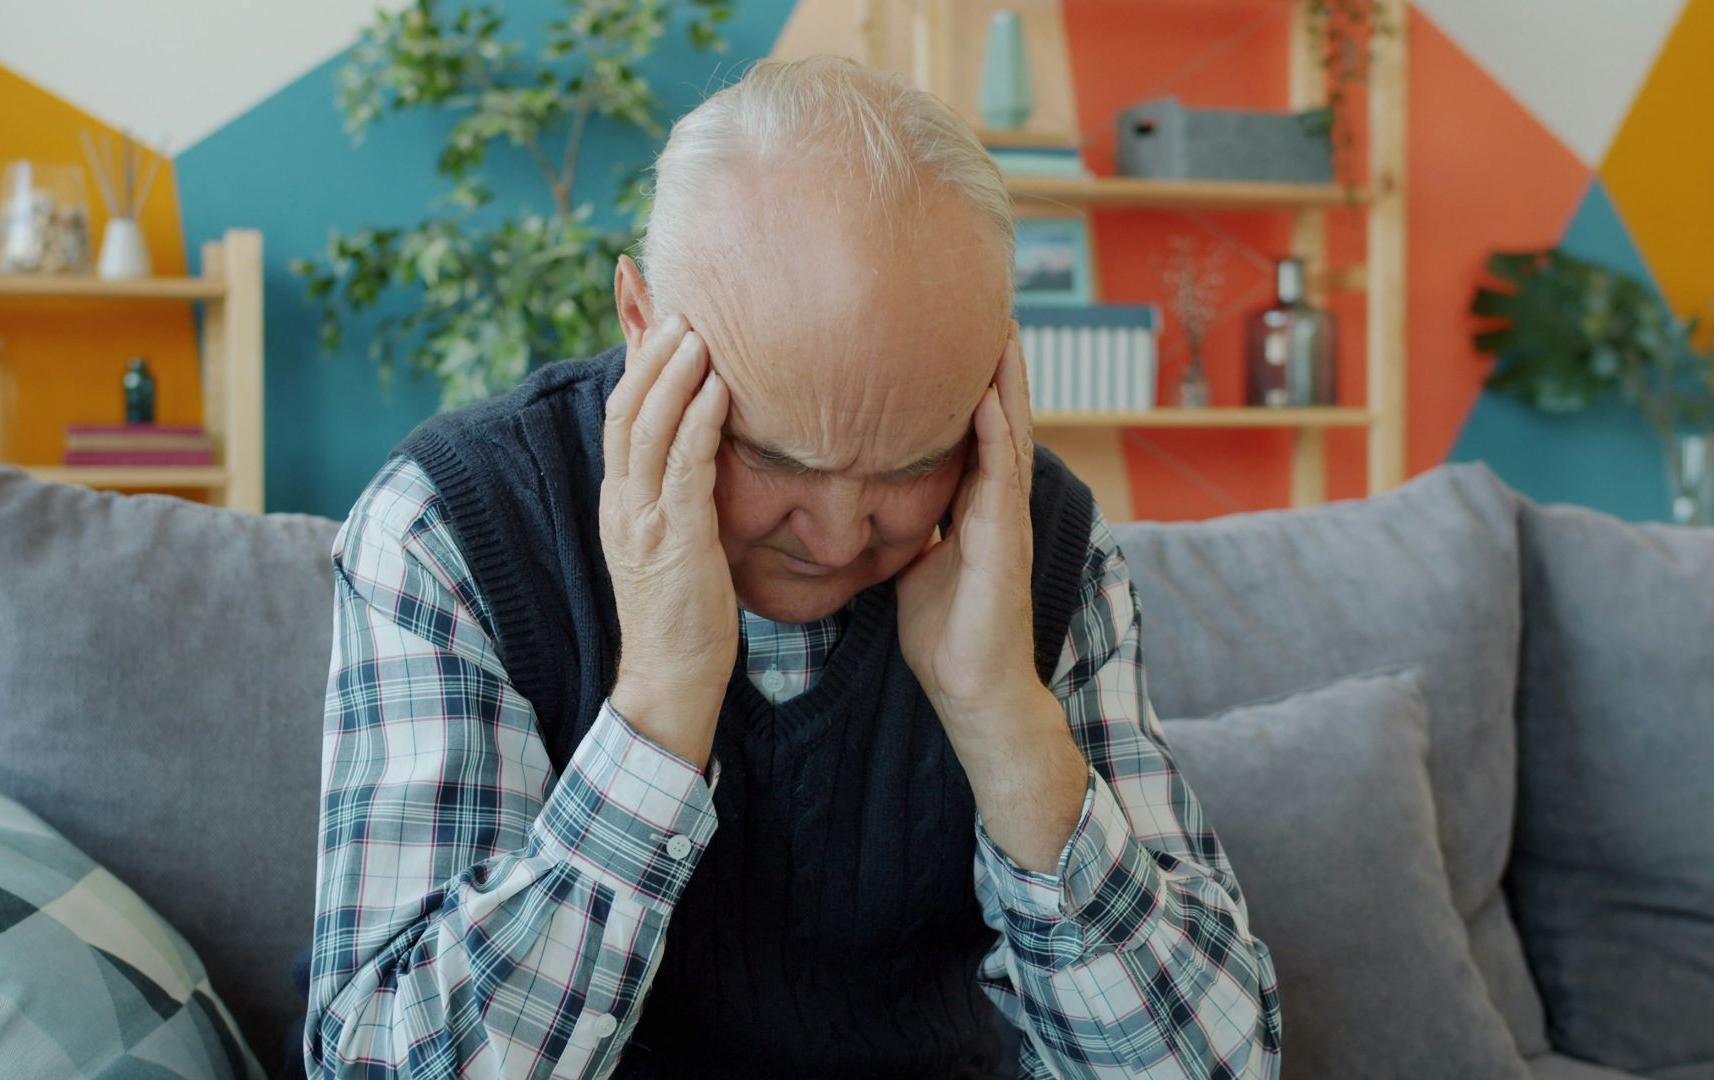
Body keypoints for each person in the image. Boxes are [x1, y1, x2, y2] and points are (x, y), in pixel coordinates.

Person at [304, 55, 1280, 1080]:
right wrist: (662, 706)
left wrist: (1004, 718)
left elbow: (1213, 1070)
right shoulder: (449, 533)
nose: (839, 536)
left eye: (912, 464)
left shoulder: (1041, 552)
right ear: (642, 328)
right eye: (773, 458)